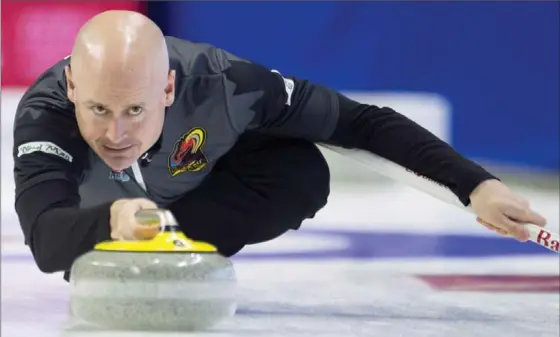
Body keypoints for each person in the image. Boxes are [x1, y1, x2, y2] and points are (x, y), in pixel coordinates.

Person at [13, 10, 547, 281]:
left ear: (169, 88)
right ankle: (139, 235)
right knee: (70, 236)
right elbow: (44, 237)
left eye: (136, 110)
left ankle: (173, 245)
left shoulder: (226, 84)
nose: (116, 135)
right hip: (105, 218)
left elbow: (363, 123)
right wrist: (115, 219)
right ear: (74, 89)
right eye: (98, 110)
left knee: (301, 171)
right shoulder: (44, 114)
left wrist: (476, 184)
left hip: (192, 200)